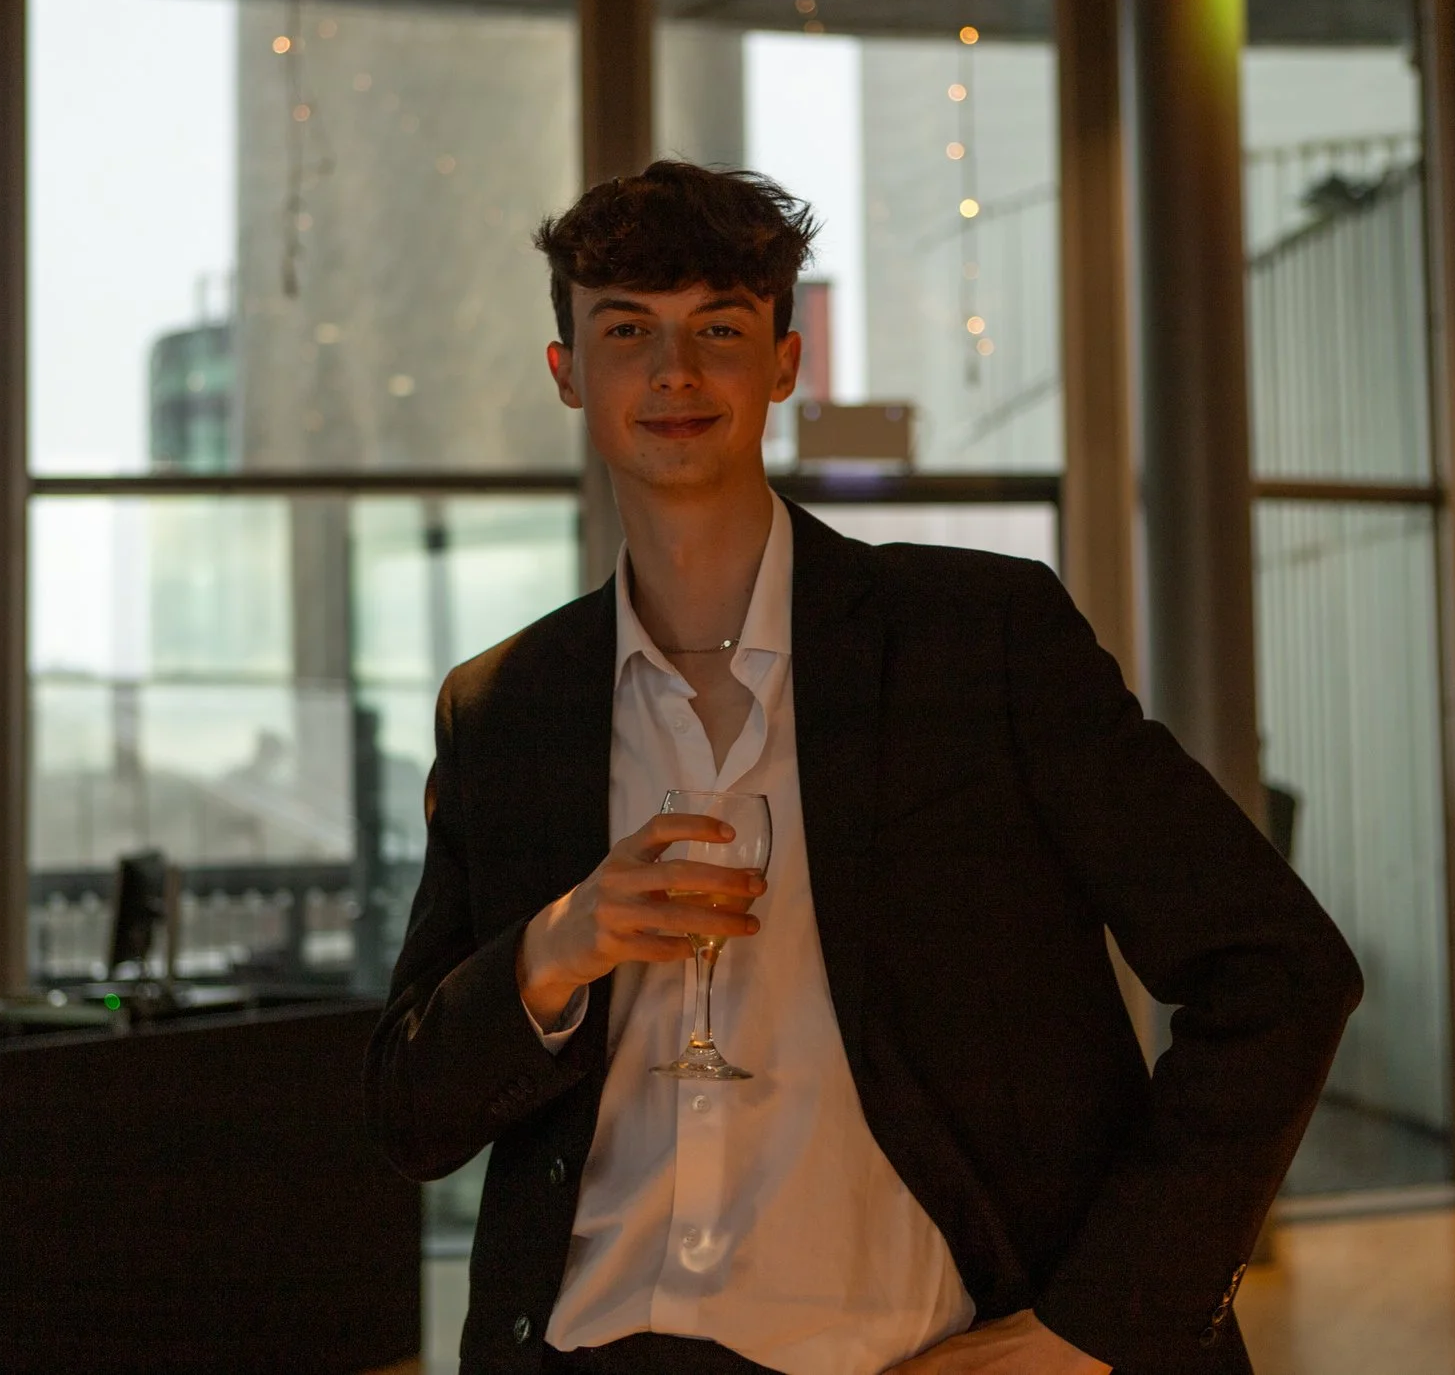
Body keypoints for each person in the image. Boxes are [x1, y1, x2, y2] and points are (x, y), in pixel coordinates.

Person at [367, 162, 1361, 1375]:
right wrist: (555, 947)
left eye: (717, 329)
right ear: (567, 371)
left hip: (912, 1350)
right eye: (626, 330)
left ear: (783, 362)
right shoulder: (503, 707)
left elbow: (1279, 969)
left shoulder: (979, 642)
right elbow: (409, 1112)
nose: (673, 371)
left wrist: (1101, 1321)